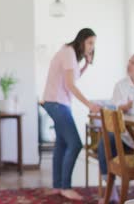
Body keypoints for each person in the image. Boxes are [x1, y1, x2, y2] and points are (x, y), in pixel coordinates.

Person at [42, 28, 101, 201]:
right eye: (90, 42)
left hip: (56, 102)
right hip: (57, 103)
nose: (92, 47)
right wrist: (89, 104)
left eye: (94, 44)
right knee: (75, 144)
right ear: (81, 40)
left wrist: (86, 65)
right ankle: (65, 187)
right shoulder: (68, 53)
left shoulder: (70, 54)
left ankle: (58, 186)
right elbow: (70, 85)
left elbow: (72, 78)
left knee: (61, 144)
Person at [97, 52, 134, 203]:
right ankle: (111, 191)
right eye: (129, 62)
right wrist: (128, 105)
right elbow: (115, 109)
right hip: (126, 134)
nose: (129, 65)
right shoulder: (121, 85)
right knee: (104, 144)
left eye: (133, 63)